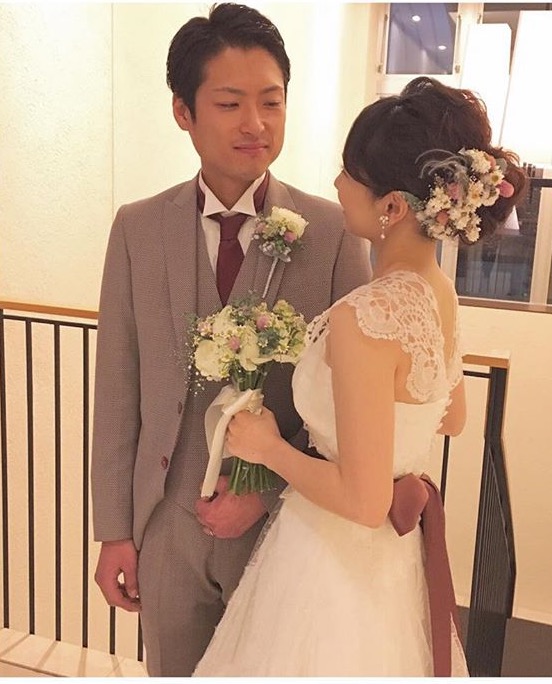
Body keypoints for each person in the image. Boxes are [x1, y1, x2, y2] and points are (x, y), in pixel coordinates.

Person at [193, 76, 526, 677]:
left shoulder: (365, 315)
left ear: (392, 206)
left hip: (330, 561)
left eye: (349, 172)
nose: (337, 183)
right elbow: (452, 416)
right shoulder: (438, 291)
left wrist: (267, 447)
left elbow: (365, 502)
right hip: (392, 562)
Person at [90, 3, 371, 677]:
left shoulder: (332, 233)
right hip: (166, 525)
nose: (256, 124)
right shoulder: (137, 228)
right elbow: (118, 385)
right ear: (183, 112)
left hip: (285, 527)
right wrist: (115, 531)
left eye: (271, 101)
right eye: (229, 103)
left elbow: (349, 406)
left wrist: (267, 489)